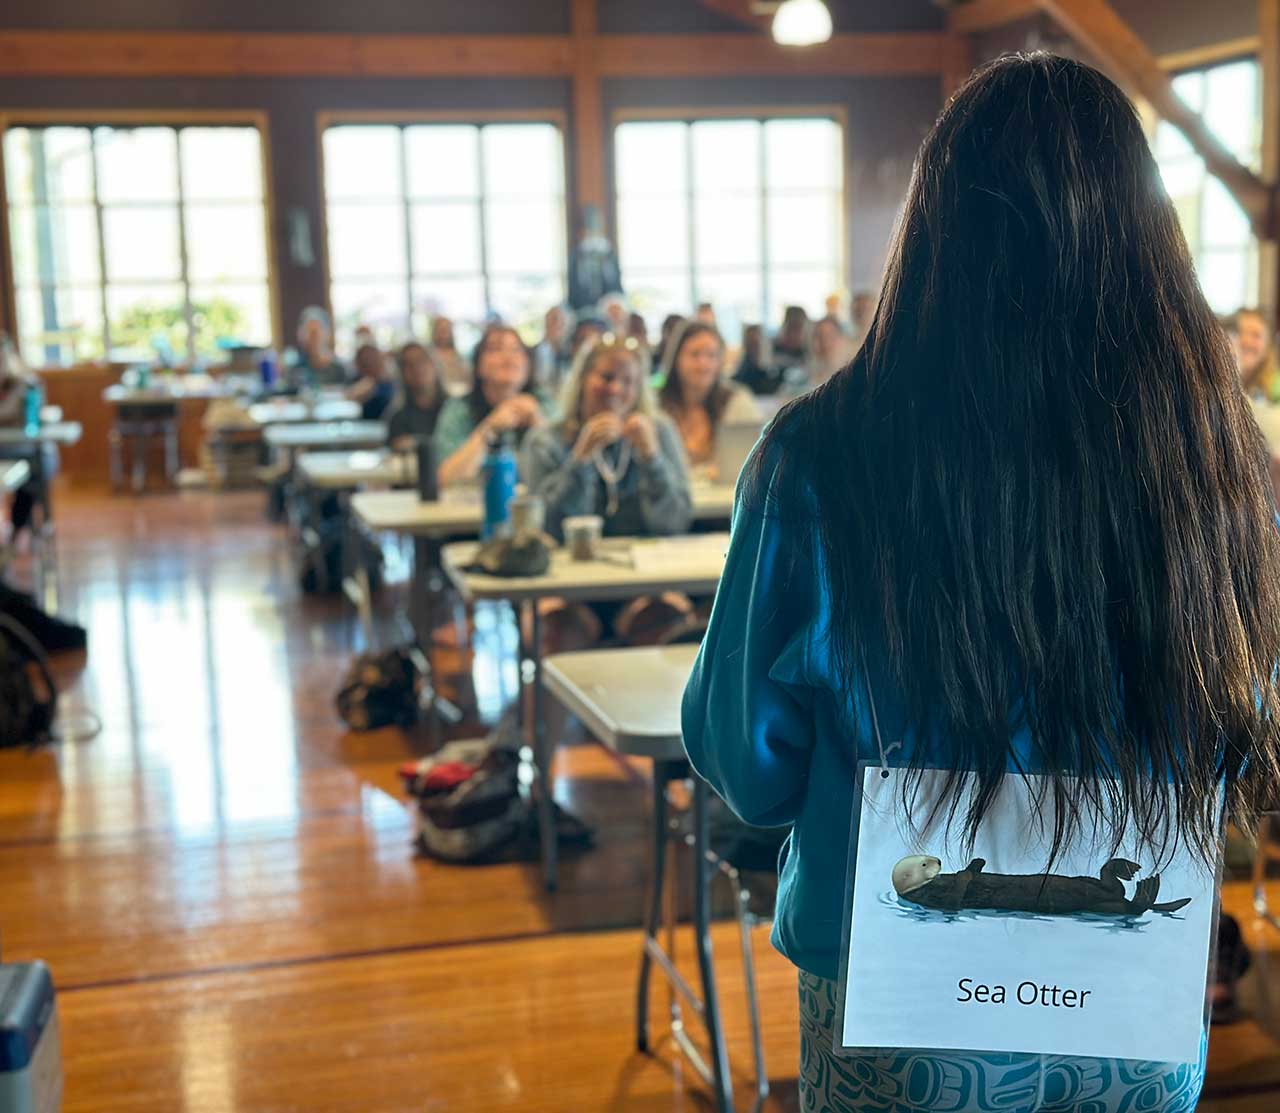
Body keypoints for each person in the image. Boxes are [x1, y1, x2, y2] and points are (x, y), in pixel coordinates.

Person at [683, 53, 1280, 1113]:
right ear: (1147, 239)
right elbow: (1246, 731)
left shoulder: (819, 458)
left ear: (933, 231)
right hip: (1129, 980)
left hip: (894, 980)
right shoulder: (1222, 463)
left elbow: (750, 764)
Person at [523, 335, 693, 646]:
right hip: (569, 584)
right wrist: (580, 460)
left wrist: (652, 459)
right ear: (583, 380)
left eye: (628, 381)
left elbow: (676, 521)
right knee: (557, 626)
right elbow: (546, 527)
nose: (616, 390)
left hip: (644, 581)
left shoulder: (660, 432)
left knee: (664, 618)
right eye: (606, 377)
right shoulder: (545, 440)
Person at [433, 326, 546, 488]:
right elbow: (445, 480)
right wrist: (490, 427)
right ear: (478, 365)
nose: (508, 357)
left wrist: (539, 426)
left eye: (516, 350)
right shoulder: (459, 410)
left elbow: (564, 475)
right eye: (496, 349)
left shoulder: (543, 404)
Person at [658, 322, 760, 478]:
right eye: (694, 354)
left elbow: (755, 460)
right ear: (676, 359)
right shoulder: (657, 404)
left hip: (722, 498)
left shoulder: (737, 401)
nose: (703, 364)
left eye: (711, 355)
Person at [386, 342, 444, 452]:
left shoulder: (455, 408)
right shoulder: (397, 417)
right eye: (409, 364)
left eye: (422, 361)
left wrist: (416, 442)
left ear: (435, 364)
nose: (417, 368)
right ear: (402, 373)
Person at [1229, 307, 1280, 402]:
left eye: (1256, 335)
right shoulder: (1220, 381)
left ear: (1268, 344)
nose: (1247, 341)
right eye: (1241, 332)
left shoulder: (1276, 386)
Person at [290, 306, 348, 390]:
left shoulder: (339, 368)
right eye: (309, 332)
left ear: (327, 333)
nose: (313, 338)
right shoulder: (296, 370)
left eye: (316, 333)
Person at [346, 344, 395, 421]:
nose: (369, 363)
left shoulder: (390, 384)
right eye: (364, 360)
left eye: (373, 359)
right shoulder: (357, 381)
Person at [733, 324, 785, 396]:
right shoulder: (744, 369)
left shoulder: (776, 363)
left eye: (757, 343)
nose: (755, 348)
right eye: (751, 343)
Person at [533, 305, 573, 395]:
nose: (557, 324)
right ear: (545, 321)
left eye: (562, 321)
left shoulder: (572, 355)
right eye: (554, 319)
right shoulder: (530, 353)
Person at [428, 316, 472, 397]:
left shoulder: (460, 356)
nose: (444, 334)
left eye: (447, 330)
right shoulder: (429, 356)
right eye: (441, 330)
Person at [808, 315, 854, 387]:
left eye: (830, 336)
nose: (825, 343)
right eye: (820, 337)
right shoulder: (797, 379)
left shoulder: (856, 378)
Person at [773, 305, 810, 371]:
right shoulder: (774, 349)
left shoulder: (811, 353)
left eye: (798, 328)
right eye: (790, 328)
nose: (793, 335)